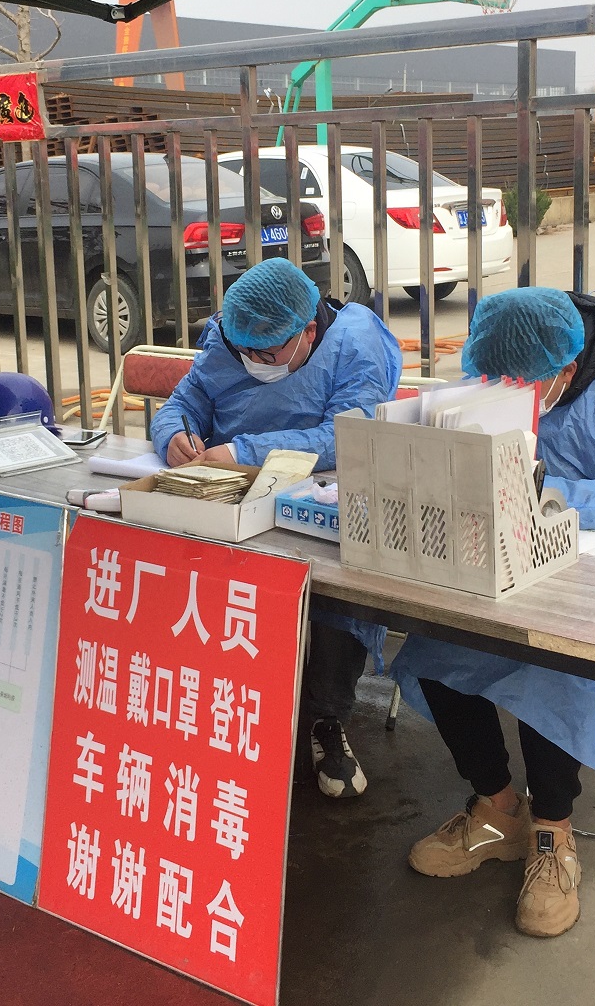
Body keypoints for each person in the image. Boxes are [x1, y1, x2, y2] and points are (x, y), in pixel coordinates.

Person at [391, 286, 595, 939]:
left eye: (522, 384)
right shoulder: (496, 378)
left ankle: (553, 833)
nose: (507, 394)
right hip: (508, 569)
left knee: (553, 668)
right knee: (437, 649)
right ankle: (499, 809)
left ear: (567, 365)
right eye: (495, 381)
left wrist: (548, 492)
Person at [152, 258, 403, 799]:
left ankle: (326, 720)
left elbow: (350, 435)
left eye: (266, 355)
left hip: (322, 504)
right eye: (244, 352)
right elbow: (185, 401)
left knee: (338, 595)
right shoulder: (230, 336)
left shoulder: (355, 341)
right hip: (231, 498)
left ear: (308, 332)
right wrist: (172, 435)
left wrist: (243, 451)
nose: (252, 363)